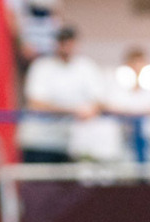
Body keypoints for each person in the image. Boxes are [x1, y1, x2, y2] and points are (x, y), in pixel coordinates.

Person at [19, 26, 105, 163]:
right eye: (63, 42)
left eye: (70, 43)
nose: (66, 47)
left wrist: (91, 109)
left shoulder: (86, 66)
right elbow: (35, 103)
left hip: (73, 143)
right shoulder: (41, 66)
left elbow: (100, 99)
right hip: (40, 142)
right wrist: (73, 110)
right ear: (56, 44)